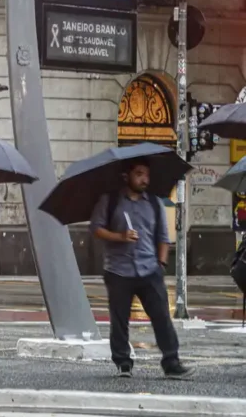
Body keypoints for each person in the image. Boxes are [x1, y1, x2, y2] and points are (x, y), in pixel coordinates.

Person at [89, 158, 194, 380]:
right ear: (127, 176)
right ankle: (123, 363)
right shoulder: (111, 201)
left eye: (146, 174)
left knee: (161, 317)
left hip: (149, 269)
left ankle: (171, 361)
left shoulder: (154, 202)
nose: (144, 179)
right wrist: (120, 236)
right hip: (118, 270)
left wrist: (161, 264)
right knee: (120, 321)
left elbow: (163, 238)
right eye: (139, 174)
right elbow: (96, 228)